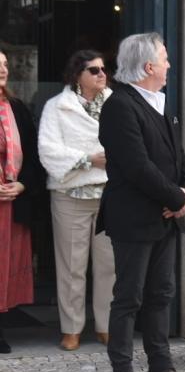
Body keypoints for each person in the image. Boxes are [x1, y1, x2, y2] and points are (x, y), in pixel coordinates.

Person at [98, 32, 185, 372]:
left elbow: (178, 157)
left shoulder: (162, 102)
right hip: (134, 218)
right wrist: (176, 197)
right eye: (165, 58)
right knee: (129, 298)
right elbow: (137, 166)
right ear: (149, 65)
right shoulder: (120, 106)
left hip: (166, 217)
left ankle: (161, 371)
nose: (169, 64)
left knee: (161, 295)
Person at [37, 50, 116, 351]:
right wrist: (88, 159)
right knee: (71, 265)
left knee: (109, 264)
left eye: (103, 69)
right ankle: (71, 328)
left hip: (109, 195)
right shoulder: (57, 107)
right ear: (77, 75)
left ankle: (107, 325)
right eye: (93, 70)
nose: (101, 74)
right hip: (70, 194)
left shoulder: (117, 104)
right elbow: (48, 150)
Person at [0, 49, 43, 355]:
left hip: (12, 203)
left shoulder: (17, 107)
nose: (3, 70)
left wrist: (23, 184)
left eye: (4, 65)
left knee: (6, 268)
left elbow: (33, 153)